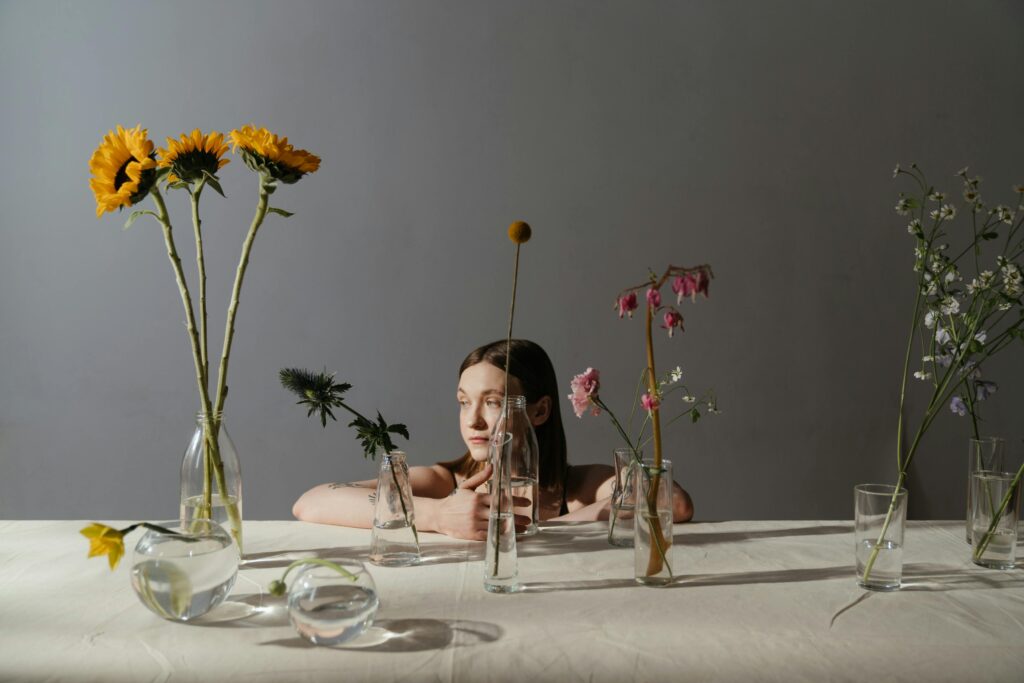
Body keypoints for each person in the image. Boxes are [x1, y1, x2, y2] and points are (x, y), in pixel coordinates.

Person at [292, 339, 693, 540]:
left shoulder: (578, 489)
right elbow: (311, 501)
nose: (474, 421)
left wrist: (541, 530)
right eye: (464, 402)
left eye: (494, 402)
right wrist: (436, 516)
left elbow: (672, 500)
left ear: (539, 411)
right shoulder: (445, 482)